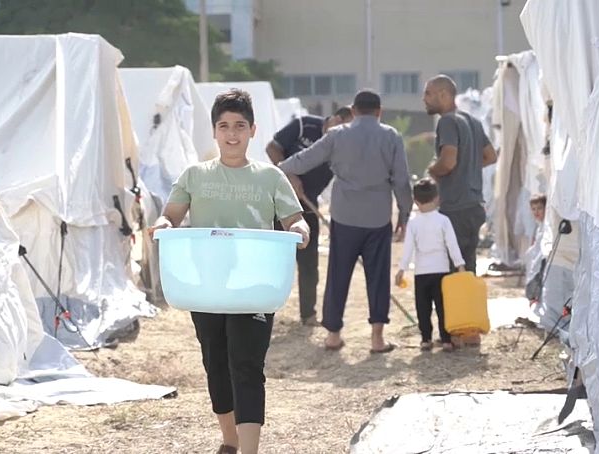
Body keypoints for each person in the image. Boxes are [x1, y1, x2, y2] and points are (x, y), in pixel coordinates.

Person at [149, 89, 310, 454]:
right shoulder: (195, 175)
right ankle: (230, 441)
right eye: (224, 126)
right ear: (214, 131)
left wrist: (300, 230)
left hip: (255, 285)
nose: (232, 134)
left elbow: (295, 219)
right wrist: (161, 224)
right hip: (207, 286)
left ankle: (249, 450)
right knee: (216, 363)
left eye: (240, 126)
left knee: (247, 365)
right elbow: (170, 216)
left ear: (253, 130)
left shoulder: (271, 177)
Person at [279, 89, 413, 354]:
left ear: (352, 111)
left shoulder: (337, 135)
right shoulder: (391, 137)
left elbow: (302, 161)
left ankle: (333, 335)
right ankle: (376, 338)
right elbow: (402, 181)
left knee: (338, 274)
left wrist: (281, 169)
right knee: (377, 278)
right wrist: (405, 214)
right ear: (379, 112)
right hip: (377, 218)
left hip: (344, 217)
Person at [266, 107, 354, 326]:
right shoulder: (305, 124)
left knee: (308, 265)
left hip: (307, 207)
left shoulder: (342, 146)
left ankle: (308, 314)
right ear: (337, 118)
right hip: (277, 203)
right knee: (274, 262)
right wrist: (289, 174)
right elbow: (272, 147)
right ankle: (264, 311)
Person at [423, 75, 497, 274]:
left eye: (428, 93)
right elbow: (490, 156)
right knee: (467, 269)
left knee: (450, 271)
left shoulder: (447, 122)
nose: (424, 99)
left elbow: (448, 162)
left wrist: (432, 170)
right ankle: (466, 306)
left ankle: (451, 307)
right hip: (474, 207)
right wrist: (468, 165)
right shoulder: (472, 121)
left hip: (455, 207)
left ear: (444, 95)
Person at [396, 178, 466, 351]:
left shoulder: (413, 223)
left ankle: (426, 338)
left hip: (421, 273)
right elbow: (452, 244)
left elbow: (408, 249)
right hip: (441, 271)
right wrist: (460, 265)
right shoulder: (443, 220)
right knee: (443, 307)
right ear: (437, 199)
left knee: (423, 308)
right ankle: (446, 339)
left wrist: (401, 269)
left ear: (416, 201)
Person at [525, 194, 547, 305]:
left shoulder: (546, 228)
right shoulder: (539, 227)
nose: (536, 212)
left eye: (539, 208)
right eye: (533, 209)